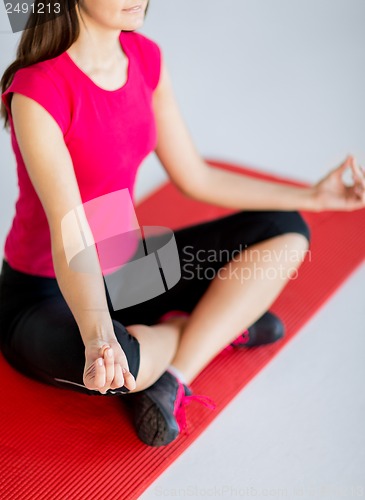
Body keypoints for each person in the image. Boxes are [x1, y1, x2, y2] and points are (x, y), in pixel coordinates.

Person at [0, 0, 364, 448]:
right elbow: (70, 228)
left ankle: (175, 372)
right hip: (46, 295)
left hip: (126, 268)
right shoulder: (37, 90)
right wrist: (98, 337)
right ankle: (215, 325)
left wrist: (314, 196)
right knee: (119, 367)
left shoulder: (146, 58)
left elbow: (196, 176)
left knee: (285, 228)